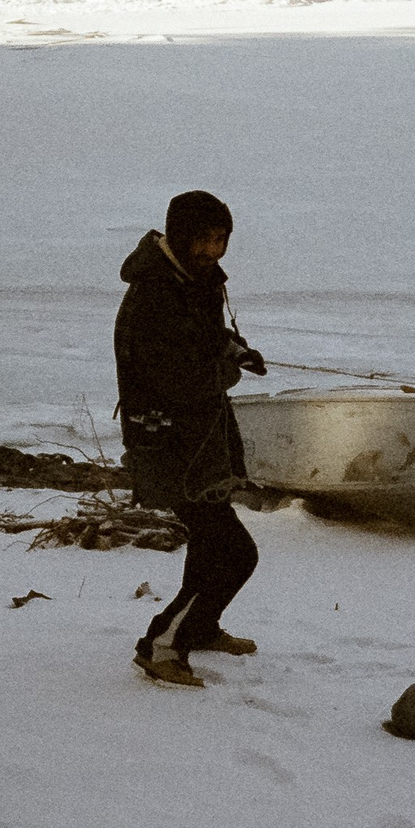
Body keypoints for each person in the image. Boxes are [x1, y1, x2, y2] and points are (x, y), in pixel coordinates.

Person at [116, 189, 267, 688]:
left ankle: (199, 628)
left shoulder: (190, 281)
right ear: (179, 237)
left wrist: (236, 349)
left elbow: (201, 339)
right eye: (202, 240)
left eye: (220, 240)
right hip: (170, 444)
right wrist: (229, 371)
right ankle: (162, 645)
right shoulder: (154, 295)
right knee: (234, 553)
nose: (211, 251)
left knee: (209, 543)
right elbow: (180, 380)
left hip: (199, 439)